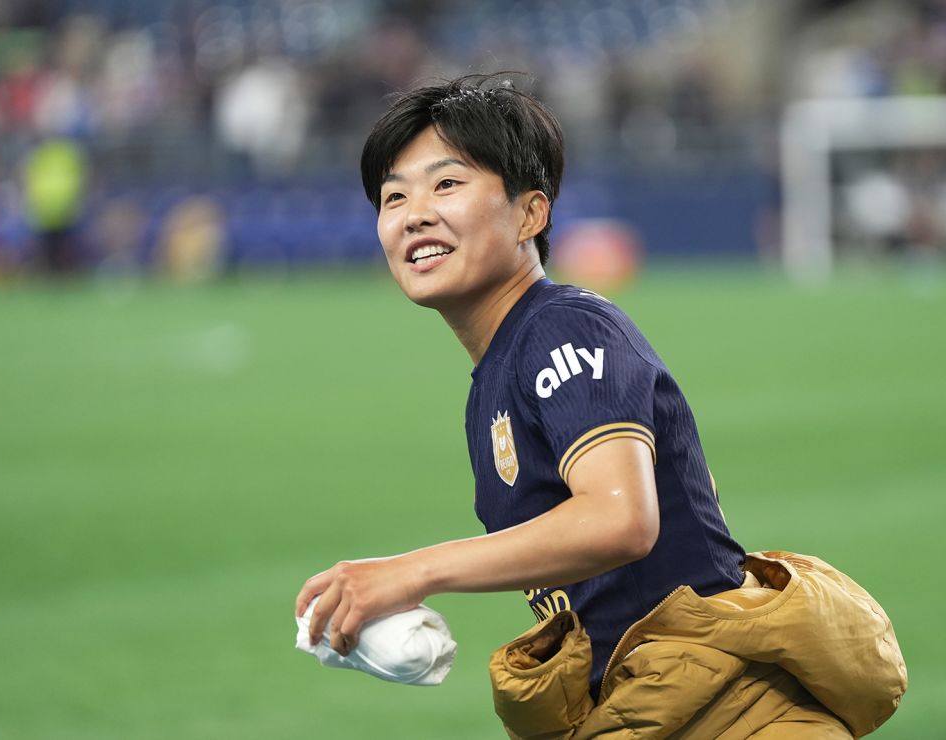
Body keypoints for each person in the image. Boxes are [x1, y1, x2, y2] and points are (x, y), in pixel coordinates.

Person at [295, 74, 903, 737]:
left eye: (446, 184)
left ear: (531, 212)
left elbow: (620, 520)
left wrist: (411, 572)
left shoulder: (563, 328)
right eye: (392, 196)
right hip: (662, 711)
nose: (414, 213)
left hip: (733, 717)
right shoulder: (496, 377)